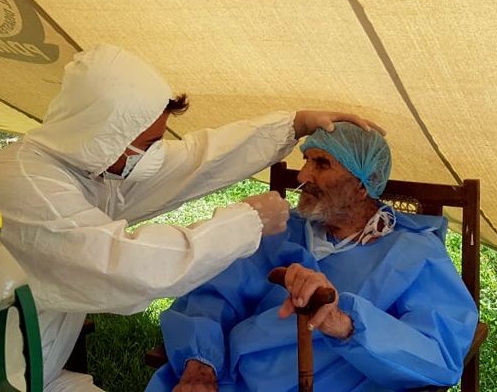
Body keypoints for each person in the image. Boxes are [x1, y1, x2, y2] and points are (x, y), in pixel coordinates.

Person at [0, 43, 383, 392]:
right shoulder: (29, 189)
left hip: (27, 369)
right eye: (148, 143)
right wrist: (245, 222)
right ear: (102, 133)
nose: (155, 155)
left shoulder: (83, 167)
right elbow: (125, 268)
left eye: (324, 163)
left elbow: (191, 163)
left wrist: (290, 125)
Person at [148, 123, 478, 392]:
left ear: (362, 186)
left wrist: (343, 323)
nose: (303, 175)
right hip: (230, 379)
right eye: (306, 161)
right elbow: (212, 297)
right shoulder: (281, 230)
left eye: (321, 164)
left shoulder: (413, 254)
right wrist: (200, 364)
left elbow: (438, 354)